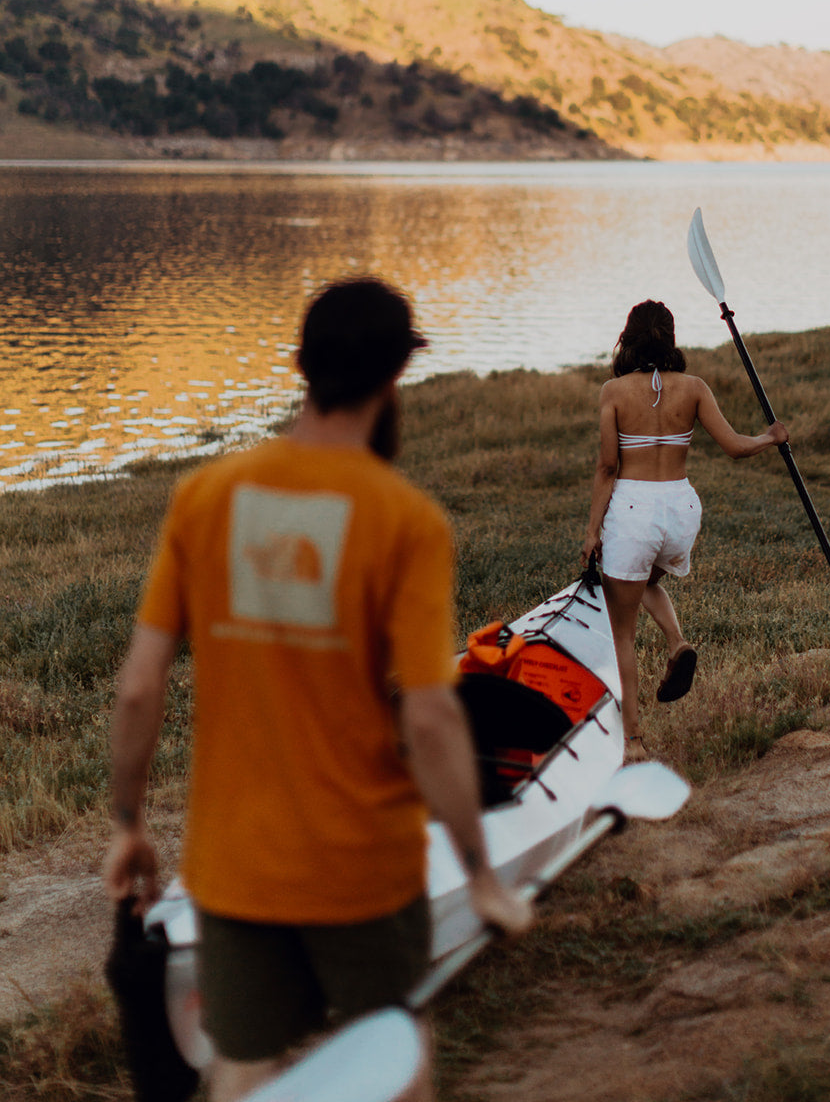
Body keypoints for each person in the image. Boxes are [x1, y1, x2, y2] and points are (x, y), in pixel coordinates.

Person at [104, 277, 532, 1102]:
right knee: (392, 1058)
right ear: (396, 376)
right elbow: (433, 713)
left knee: (240, 1070)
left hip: (233, 867)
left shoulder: (205, 497)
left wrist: (127, 825)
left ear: (301, 367)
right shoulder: (405, 520)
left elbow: (136, 689)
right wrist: (479, 874)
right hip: (362, 869)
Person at [580, 299, 787, 760]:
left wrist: (593, 530)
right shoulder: (694, 387)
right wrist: (769, 438)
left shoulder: (613, 392)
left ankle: (633, 740)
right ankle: (677, 642)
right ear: (670, 337)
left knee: (623, 633)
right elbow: (734, 446)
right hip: (680, 509)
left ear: (628, 337)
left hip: (633, 511)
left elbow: (608, 466)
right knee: (647, 578)